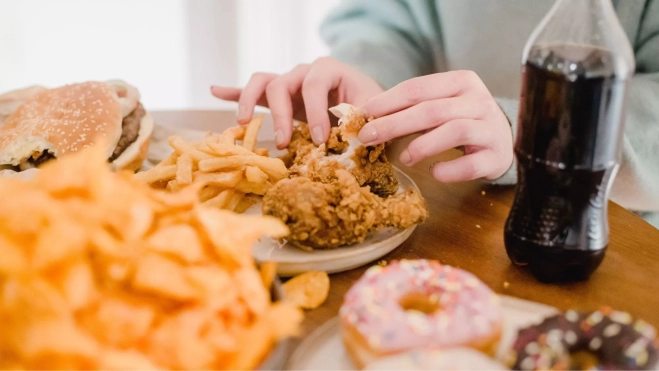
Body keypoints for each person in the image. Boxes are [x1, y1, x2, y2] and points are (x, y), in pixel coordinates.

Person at [211, 0, 659, 228]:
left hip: (613, 225)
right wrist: (368, 85)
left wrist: (530, 130)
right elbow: (389, 16)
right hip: (454, 208)